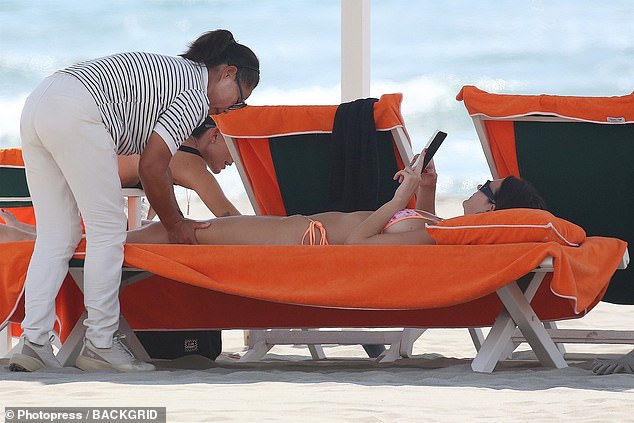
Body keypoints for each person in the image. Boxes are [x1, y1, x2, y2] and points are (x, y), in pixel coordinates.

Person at [10, 29, 260, 373]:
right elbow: (153, 165)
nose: (229, 109)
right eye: (239, 99)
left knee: (57, 233)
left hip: (41, 100)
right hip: (76, 107)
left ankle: (34, 341)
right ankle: (100, 343)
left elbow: (151, 164)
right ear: (228, 73)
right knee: (108, 229)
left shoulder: (175, 72)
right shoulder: (194, 92)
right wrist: (176, 225)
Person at [2, 157, 546, 248]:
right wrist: (422, 185)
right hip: (289, 228)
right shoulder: (443, 226)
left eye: (486, 188)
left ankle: (35, 240)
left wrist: (398, 197)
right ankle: (44, 239)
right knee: (177, 231)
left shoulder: (436, 236)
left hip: (293, 240)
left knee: (178, 233)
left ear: (493, 211)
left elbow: (359, 242)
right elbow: (418, 218)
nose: (478, 187)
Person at [118, 117, 241, 219]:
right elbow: (230, 217)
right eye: (235, 145)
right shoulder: (190, 164)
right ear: (215, 135)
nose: (236, 159)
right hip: (102, 183)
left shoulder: (172, 140)